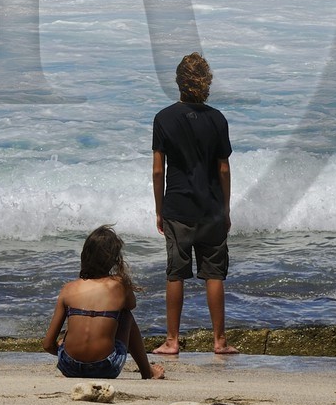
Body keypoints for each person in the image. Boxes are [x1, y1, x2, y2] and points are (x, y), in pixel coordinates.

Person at [151, 52, 237, 355]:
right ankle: (220, 341)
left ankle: (172, 340)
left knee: (176, 273)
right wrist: (225, 209)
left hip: (177, 206)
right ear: (207, 82)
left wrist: (159, 209)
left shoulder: (163, 118)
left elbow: (158, 169)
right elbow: (223, 169)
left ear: (178, 82)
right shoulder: (217, 119)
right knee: (214, 274)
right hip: (211, 208)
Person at [42, 225, 165, 380]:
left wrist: (62, 350)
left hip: (69, 367)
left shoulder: (68, 289)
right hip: (106, 367)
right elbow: (131, 304)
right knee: (126, 315)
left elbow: (47, 344)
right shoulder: (119, 285)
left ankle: (74, 354)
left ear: (85, 255)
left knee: (71, 324)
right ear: (114, 259)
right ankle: (147, 372)